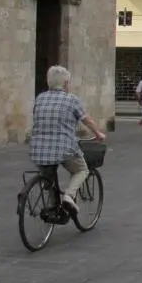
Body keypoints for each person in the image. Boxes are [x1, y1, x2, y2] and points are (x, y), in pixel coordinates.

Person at [30, 65, 106, 219]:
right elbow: (86, 119)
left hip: (38, 149)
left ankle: (53, 208)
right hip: (64, 148)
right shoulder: (71, 100)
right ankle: (69, 196)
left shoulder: (40, 98)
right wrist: (98, 133)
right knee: (82, 170)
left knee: (49, 179)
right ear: (65, 83)